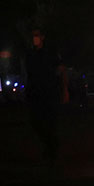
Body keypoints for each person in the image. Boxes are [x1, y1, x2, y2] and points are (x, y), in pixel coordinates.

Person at [25, 27, 69, 163]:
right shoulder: (30, 54)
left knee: (50, 123)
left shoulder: (50, 53)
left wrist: (64, 90)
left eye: (36, 35)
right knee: (36, 122)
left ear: (42, 37)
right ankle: (50, 146)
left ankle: (51, 151)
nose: (34, 38)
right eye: (33, 35)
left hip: (50, 92)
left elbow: (62, 70)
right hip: (35, 93)